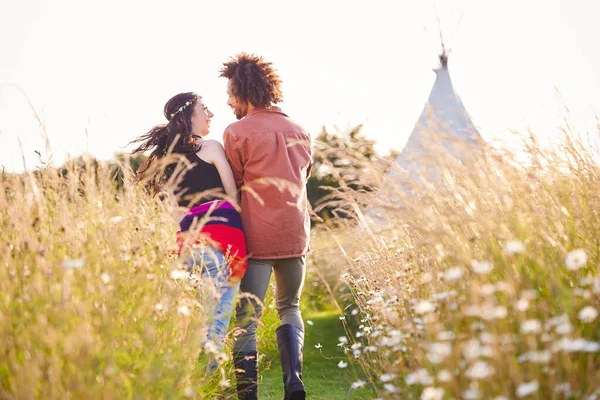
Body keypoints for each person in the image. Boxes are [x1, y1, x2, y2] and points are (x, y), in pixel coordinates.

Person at [130, 92, 247, 372]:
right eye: (205, 109)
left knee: (191, 325)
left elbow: (176, 214)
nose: (211, 114)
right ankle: (207, 383)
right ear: (189, 117)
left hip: (186, 250)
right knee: (215, 325)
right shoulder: (211, 147)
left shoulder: (166, 159)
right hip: (218, 249)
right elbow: (233, 197)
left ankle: (184, 380)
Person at [220, 53, 312, 400]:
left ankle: (248, 395)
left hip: (256, 236)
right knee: (290, 306)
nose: (228, 102)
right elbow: (303, 176)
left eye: (230, 94)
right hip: (294, 234)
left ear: (244, 92)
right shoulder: (299, 129)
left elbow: (235, 182)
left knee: (247, 317)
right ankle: (294, 383)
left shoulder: (236, 132)